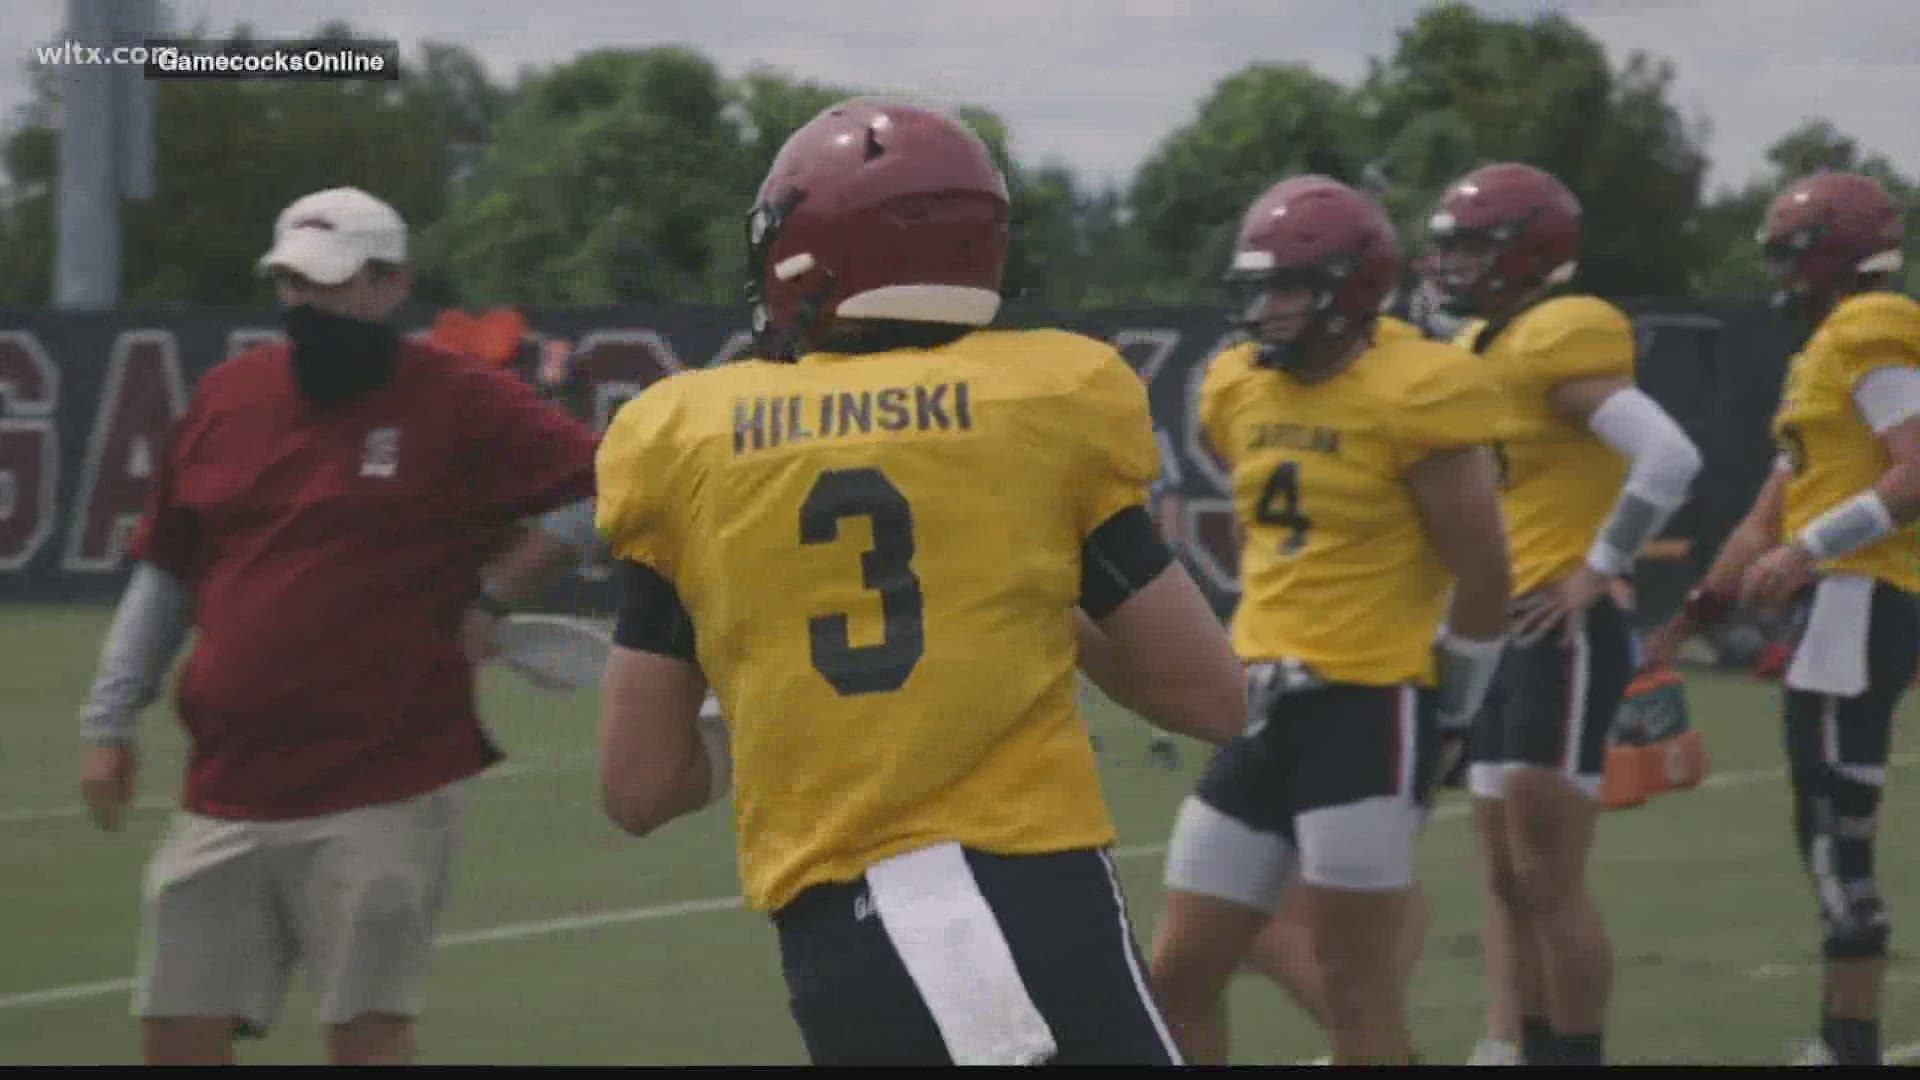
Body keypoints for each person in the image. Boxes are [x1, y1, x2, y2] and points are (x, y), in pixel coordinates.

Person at [591, 99, 1247, 1066]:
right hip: (1006, 908)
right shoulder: (1047, 400)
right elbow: (1212, 697)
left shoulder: (684, 436)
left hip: (841, 938)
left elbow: (639, 786)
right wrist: (1009, 583)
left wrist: (757, 725)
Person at [75, 186, 602, 1066]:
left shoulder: (460, 398)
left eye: (330, 282)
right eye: (292, 283)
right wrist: (108, 718)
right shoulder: (226, 399)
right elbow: (167, 567)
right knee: (175, 1034)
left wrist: (496, 593)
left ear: (391, 285)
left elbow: (609, 484)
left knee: (366, 1040)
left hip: (384, 784)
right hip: (224, 789)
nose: (306, 304)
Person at [1144, 174, 1513, 1066]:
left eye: (1289, 290)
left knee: (1355, 985)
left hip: (1368, 708)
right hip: (1259, 704)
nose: (1265, 310)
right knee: (1176, 977)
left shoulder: (1415, 389)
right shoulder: (1238, 386)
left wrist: (1454, 712)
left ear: (1349, 293)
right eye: (1259, 288)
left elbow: (1486, 578)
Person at [1427, 162, 1704, 1067]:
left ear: (1525, 252)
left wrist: (1599, 568)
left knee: (1548, 876)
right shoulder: (1479, 343)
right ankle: (1510, 1041)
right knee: (1505, 873)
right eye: (1450, 243)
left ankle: (1571, 1055)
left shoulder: (1558, 336)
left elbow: (1669, 456)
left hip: (1557, 629)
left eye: (1472, 244)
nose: (1452, 261)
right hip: (1495, 629)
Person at [1642, 170, 1918, 1067]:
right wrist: (1692, 615)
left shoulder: (1871, 326)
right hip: (1838, 597)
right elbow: (1769, 513)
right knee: (1825, 821)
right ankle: (1845, 1040)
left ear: (1831, 257)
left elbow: (1916, 470)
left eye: (1795, 256)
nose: (1785, 276)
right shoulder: (1824, 353)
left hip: (1858, 594)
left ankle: (1851, 1047)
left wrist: (1811, 551)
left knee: (1838, 832)